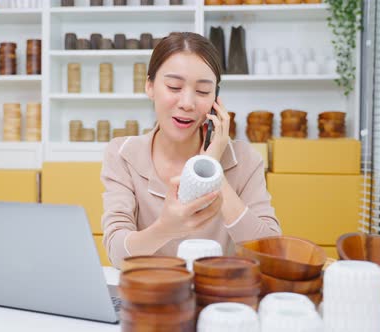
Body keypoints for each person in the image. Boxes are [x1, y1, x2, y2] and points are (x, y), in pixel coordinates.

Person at [100, 32, 281, 268]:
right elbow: (116, 253)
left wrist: (211, 170)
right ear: (150, 86)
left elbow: (272, 255)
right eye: (174, 86)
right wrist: (164, 229)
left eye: (203, 91)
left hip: (216, 298)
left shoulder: (244, 159)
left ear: (216, 100)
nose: (187, 103)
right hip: (149, 297)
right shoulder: (123, 154)